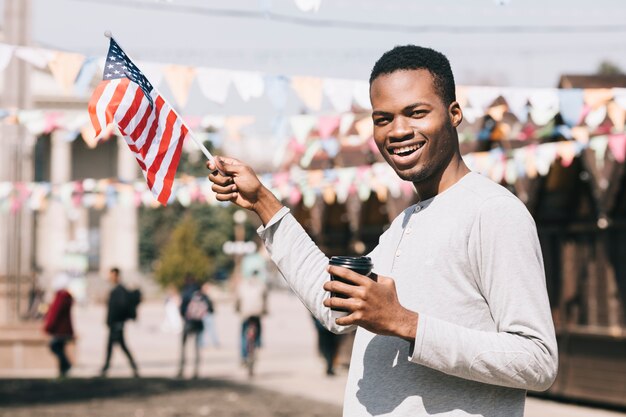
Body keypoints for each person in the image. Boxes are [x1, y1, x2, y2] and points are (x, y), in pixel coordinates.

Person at [207, 45, 558, 417]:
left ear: (454, 114)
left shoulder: (493, 212)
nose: (399, 131)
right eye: (383, 118)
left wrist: (404, 323)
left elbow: (537, 360)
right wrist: (263, 202)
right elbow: (336, 308)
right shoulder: (402, 225)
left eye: (416, 113)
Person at [100, 267, 139, 378]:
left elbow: (120, 308)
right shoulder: (116, 290)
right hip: (114, 324)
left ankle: (106, 368)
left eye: (112, 275)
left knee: (118, 347)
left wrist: (117, 321)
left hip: (116, 324)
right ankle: (106, 368)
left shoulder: (119, 290)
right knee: (115, 347)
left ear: (117, 276)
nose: (110, 277)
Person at [178, 275, 212, 378]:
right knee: (197, 348)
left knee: (184, 347)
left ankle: (181, 369)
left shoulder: (186, 292)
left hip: (188, 323)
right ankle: (196, 370)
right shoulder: (201, 294)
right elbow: (211, 308)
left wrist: (185, 316)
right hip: (199, 324)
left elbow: (182, 308)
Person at [44, 273, 74, 378]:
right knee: (60, 348)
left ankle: (66, 365)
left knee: (54, 346)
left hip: (59, 329)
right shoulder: (66, 296)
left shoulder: (61, 297)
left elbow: (54, 313)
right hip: (64, 329)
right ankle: (62, 371)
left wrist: (48, 326)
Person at [235, 270, 268, 365]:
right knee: (259, 328)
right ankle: (257, 344)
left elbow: (237, 299)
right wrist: (265, 310)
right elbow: (265, 299)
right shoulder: (261, 284)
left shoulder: (243, 285)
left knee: (243, 334)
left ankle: (244, 356)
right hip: (257, 312)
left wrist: (237, 309)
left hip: (245, 313)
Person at [199, 282, 220, 348]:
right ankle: (201, 343)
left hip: (208, 314)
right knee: (205, 330)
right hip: (205, 314)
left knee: (211, 329)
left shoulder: (207, 296)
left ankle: (215, 342)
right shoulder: (202, 296)